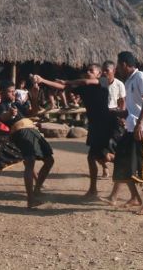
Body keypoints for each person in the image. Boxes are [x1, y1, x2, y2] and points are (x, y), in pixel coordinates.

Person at [36, 64, 117, 200]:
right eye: (87, 70)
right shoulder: (83, 87)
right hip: (96, 126)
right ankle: (94, 190)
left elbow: (83, 81)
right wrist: (42, 80)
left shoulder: (103, 81)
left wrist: (67, 82)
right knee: (96, 157)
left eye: (91, 70)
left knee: (99, 157)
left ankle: (127, 166)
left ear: (99, 74)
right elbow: (62, 87)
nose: (88, 72)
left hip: (105, 124)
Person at [112, 51, 143, 216]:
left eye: (118, 65)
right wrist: (120, 114)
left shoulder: (140, 77)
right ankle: (135, 197)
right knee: (123, 160)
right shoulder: (129, 81)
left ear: (124, 64)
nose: (117, 68)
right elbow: (134, 108)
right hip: (133, 128)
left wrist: (140, 123)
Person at [0, 80, 54, 208]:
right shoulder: (1, 106)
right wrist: (10, 113)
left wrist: (34, 97)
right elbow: (3, 117)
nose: (12, 93)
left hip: (32, 130)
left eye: (13, 91)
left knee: (49, 160)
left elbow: (33, 112)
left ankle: (37, 189)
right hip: (20, 132)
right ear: (2, 93)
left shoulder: (17, 103)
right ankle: (31, 199)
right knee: (30, 162)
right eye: (9, 91)